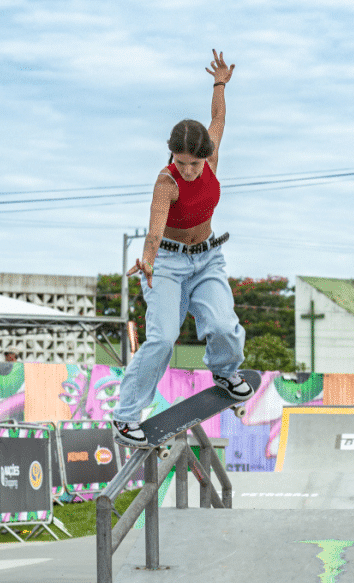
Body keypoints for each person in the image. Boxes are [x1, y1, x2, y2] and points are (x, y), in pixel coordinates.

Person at [111, 50, 253, 447]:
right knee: (161, 337)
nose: (189, 170)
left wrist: (220, 82)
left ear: (206, 154)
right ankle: (124, 417)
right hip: (168, 263)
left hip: (208, 258)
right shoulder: (166, 182)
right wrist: (149, 261)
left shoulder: (212, 156)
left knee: (224, 325)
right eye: (182, 162)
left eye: (195, 163)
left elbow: (218, 119)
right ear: (172, 155)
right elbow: (155, 230)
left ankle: (225, 372)